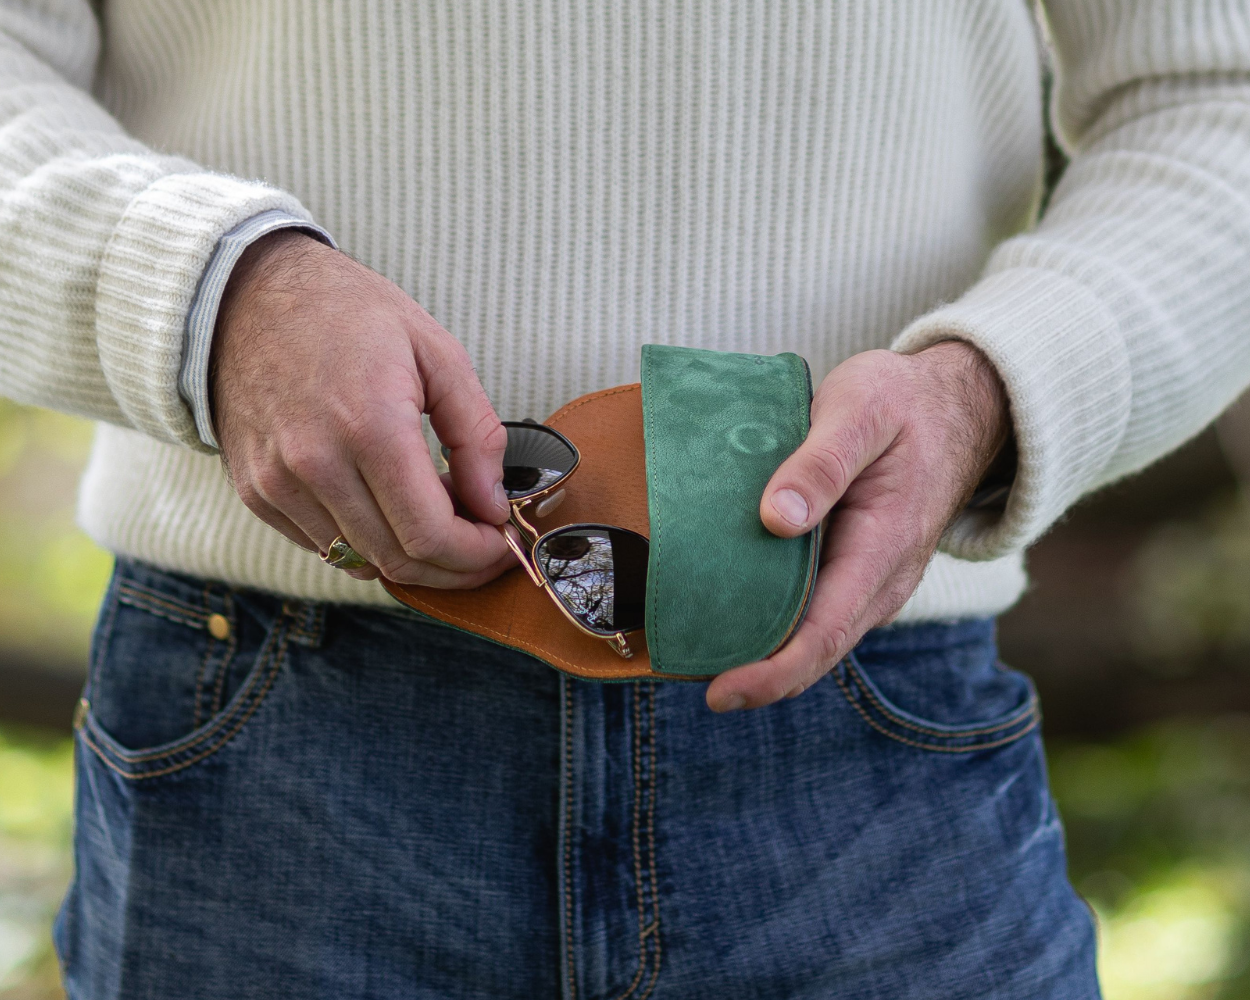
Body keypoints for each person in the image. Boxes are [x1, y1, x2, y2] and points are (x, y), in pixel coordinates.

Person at [3, 1, 1249, 996]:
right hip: (277, 743)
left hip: (870, 731)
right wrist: (211, 292)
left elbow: (1216, 99)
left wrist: (989, 389)